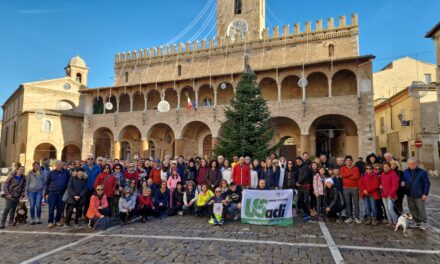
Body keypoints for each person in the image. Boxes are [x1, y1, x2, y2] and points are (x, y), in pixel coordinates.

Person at [402, 158, 430, 230]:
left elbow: (427, 183)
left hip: (419, 194)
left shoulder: (422, 172)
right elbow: (403, 181)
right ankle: (417, 222)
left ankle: (423, 223)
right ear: (408, 164)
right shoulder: (405, 172)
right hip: (409, 194)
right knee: (412, 209)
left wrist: (425, 194)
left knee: (421, 209)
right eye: (410, 164)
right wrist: (403, 186)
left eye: (413, 163)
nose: (411, 165)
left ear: (416, 164)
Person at [45, 161, 70, 228]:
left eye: (59, 165)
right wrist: (46, 193)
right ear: (55, 166)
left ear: (62, 165)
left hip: (62, 193)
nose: (58, 166)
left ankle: (57, 221)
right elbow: (47, 183)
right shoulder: (51, 173)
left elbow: (69, 181)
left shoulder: (66, 172)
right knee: (51, 208)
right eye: (57, 165)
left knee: (60, 208)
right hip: (52, 193)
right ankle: (50, 222)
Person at [340, 155, 361, 224]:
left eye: (350, 160)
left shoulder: (356, 168)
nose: (348, 162)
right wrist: (351, 174)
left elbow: (357, 177)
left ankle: (357, 217)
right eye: (347, 160)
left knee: (356, 203)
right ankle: (349, 217)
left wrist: (347, 176)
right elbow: (342, 176)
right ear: (345, 162)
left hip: (355, 188)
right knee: (348, 203)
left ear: (352, 161)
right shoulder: (343, 168)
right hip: (346, 188)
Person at [380, 162, 400, 227]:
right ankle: (389, 221)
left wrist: (390, 194)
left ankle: (395, 221)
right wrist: (380, 185)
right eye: (384, 167)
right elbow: (381, 182)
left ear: (389, 167)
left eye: (387, 167)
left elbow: (395, 185)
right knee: (386, 209)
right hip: (384, 194)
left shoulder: (393, 174)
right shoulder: (382, 174)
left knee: (390, 209)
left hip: (391, 195)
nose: (386, 168)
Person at [295, 157, 313, 223]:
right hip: (300, 187)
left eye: (299, 161)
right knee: (300, 200)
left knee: (306, 200)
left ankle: (308, 215)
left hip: (306, 186)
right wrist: (297, 183)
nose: (298, 162)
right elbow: (298, 176)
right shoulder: (298, 167)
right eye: (297, 161)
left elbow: (305, 176)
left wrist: (298, 182)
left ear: (301, 161)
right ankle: (305, 212)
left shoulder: (306, 167)